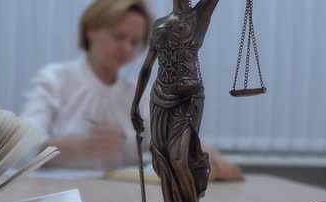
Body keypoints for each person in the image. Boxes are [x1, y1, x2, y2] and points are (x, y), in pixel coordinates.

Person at [21, 0, 242, 180]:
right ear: (90, 30)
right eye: (118, 36)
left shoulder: (135, 93)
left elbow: (164, 138)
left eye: (135, 42)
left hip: (120, 195)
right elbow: (21, 147)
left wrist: (202, 149)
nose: (127, 48)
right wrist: (81, 146)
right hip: (56, 192)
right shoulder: (54, 79)